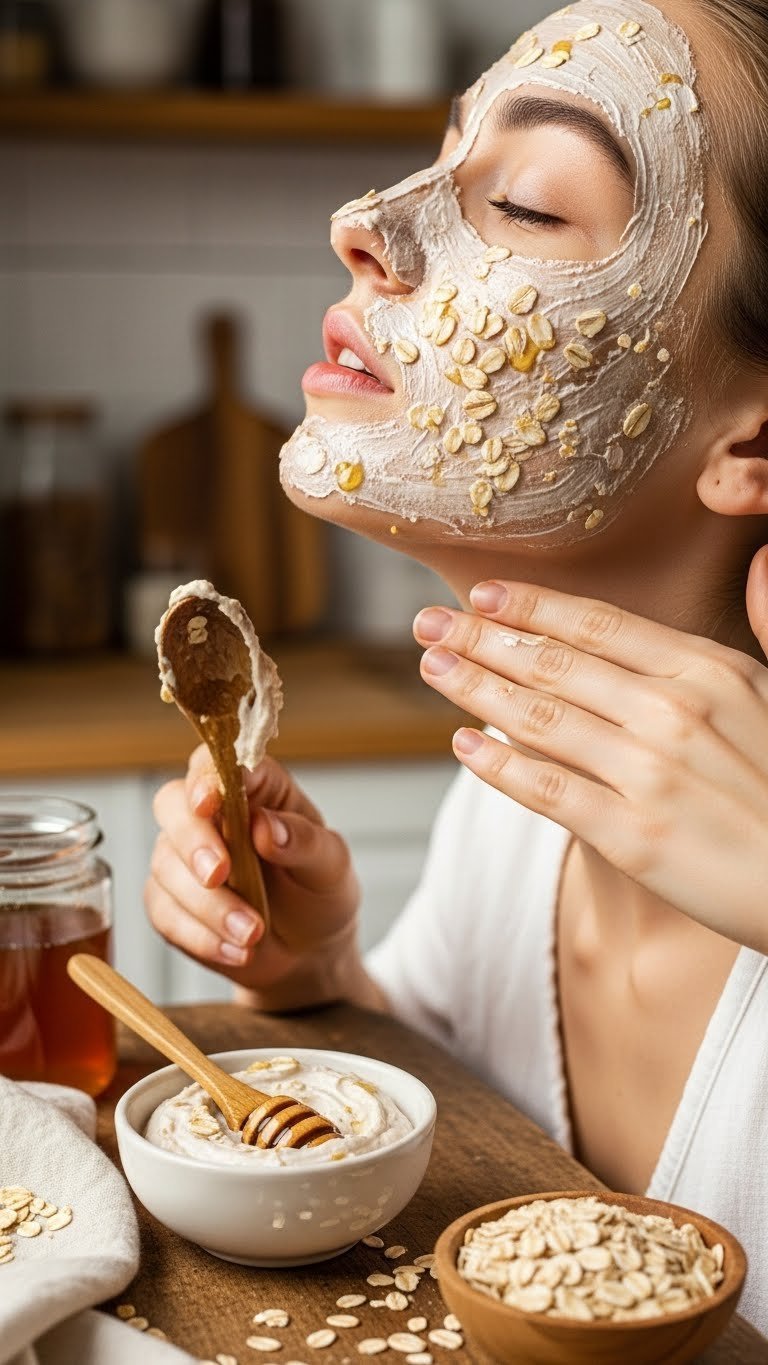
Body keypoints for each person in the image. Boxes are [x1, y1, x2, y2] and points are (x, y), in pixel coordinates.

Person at [146, 0, 768, 1333]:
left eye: (531, 205)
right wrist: (318, 977)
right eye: (439, 151)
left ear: (753, 440)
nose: (365, 223)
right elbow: (469, 1101)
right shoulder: (513, 790)